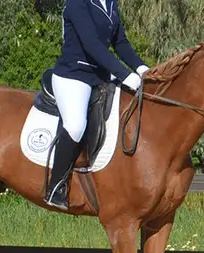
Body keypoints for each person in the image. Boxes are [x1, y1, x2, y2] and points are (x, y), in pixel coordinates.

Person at [44, 0, 150, 210]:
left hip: (101, 77)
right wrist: (125, 74)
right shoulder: (77, 3)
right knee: (75, 126)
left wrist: (142, 68)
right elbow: (91, 43)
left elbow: (120, 42)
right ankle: (55, 187)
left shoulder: (111, 3)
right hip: (74, 75)